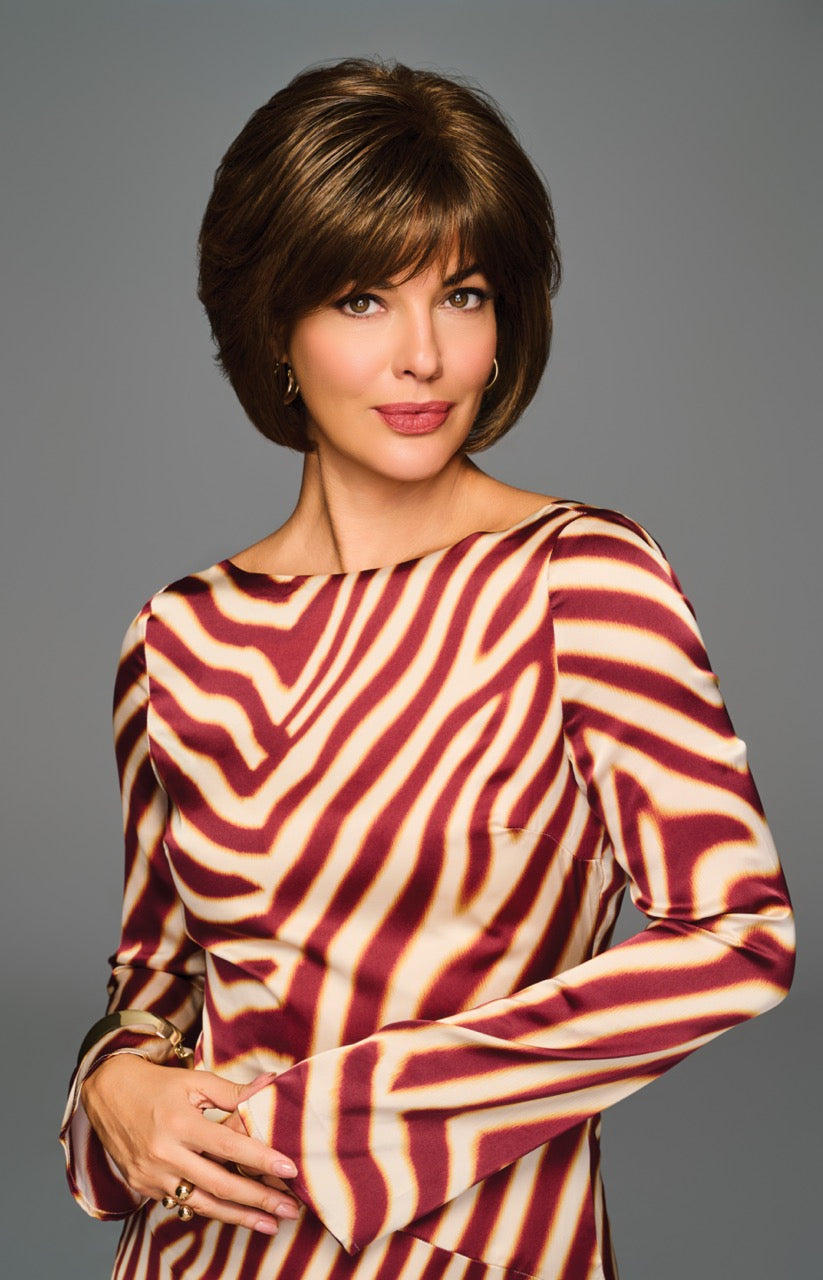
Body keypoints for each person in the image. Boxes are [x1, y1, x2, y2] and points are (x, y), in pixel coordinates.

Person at [60, 59, 794, 1280]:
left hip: (482, 1248)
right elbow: (158, 981)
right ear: (276, 326)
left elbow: (738, 932)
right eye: (362, 298)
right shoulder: (178, 637)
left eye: (462, 295)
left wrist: (341, 1119)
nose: (425, 356)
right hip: (203, 1251)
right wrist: (114, 1082)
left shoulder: (582, 579)